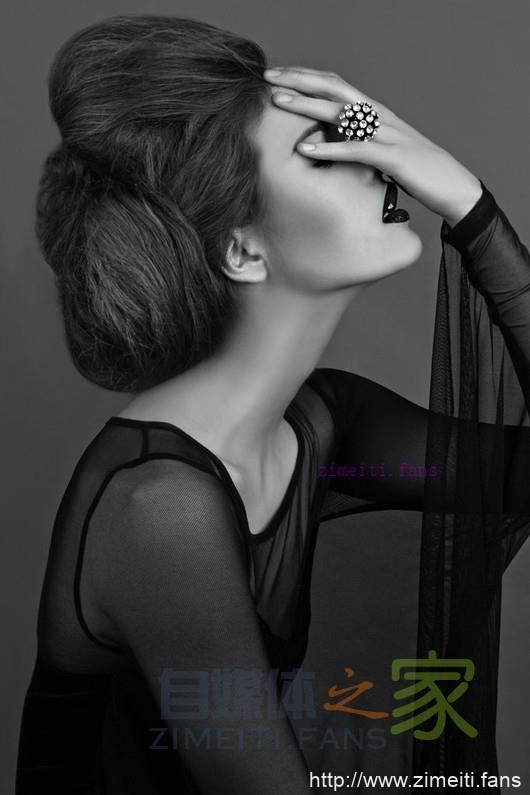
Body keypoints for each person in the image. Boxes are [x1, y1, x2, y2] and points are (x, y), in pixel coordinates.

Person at [15, 13, 530, 795]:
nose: (382, 162)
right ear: (242, 249)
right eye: (325, 150)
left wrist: (468, 199)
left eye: (355, 133)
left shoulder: (323, 422)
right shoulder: (158, 507)